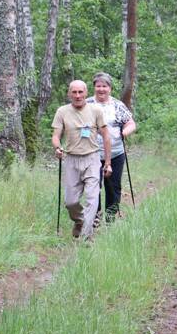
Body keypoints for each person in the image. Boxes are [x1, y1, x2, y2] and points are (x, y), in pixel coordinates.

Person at [52, 80, 112, 239]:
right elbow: (56, 136)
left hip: (92, 159)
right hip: (71, 159)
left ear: (86, 93)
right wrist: (57, 148)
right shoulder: (62, 111)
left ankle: (87, 237)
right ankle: (79, 221)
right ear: (69, 93)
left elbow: (106, 136)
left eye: (80, 92)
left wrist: (107, 163)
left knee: (93, 200)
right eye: (74, 92)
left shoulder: (96, 110)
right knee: (70, 202)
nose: (77, 95)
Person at [87, 72, 136, 223]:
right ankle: (95, 215)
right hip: (91, 152)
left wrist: (125, 132)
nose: (101, 89)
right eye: (98, 86)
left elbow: (130, 123)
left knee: (113, 186)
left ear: (110, 88)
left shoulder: (117, 105)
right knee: (93, 186)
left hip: (115, 153)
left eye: (104, 86)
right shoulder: (87, 104)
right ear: (94, 87)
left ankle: (110, 217)